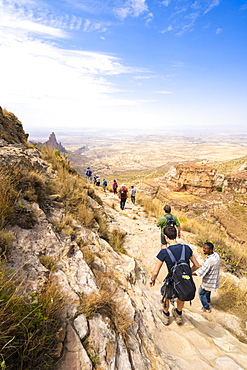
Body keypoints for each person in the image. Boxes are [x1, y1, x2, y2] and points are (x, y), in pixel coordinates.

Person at [150, 226, 199, 325]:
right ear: (176, 235)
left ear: (166, 237)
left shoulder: (164, 252)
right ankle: (178, 314)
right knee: (181, 295)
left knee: (166, 295)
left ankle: (166, 315)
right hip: (184, 279)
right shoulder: (186, 248)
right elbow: (197, 265)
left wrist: (153, 280)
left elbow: (155, 272)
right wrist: (187, 272)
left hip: (172, 280)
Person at [193, 242, 220, 313]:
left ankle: (206, 307)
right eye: (203, 248)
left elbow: (200, 272)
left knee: (201, 293)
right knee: (208, 291)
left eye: (206, 249)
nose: (204, 250)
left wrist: (189, 273)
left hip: (208, 280)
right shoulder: (216, 255)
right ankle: (208, 301)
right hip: (214, 278)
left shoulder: (210, 261)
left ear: (211, 250)